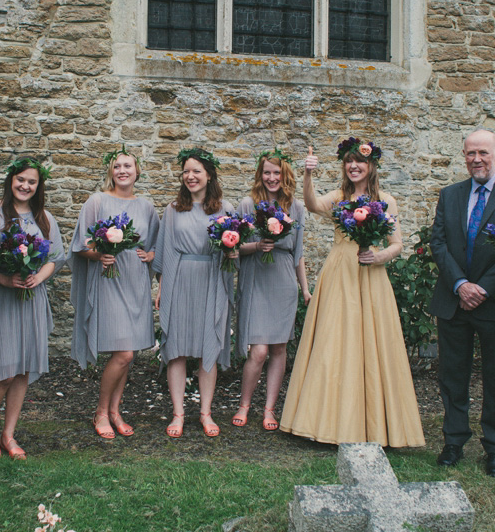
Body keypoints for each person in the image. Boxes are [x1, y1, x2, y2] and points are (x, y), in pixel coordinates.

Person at [280, 139, 424, 447]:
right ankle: (323, 421)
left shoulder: (386, 200)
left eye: (359, 161)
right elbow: (313, 204)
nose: (354, 166)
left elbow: (396, 244)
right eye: (348, 161)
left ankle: (372, 425)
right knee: (334, 341)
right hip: (340, 272)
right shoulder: (340, 197)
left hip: (371, 275)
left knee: (371, 344)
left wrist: (379, 257)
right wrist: (307, 176)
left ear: (372, 166)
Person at [429, 129, 495, 476]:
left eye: (483, 153)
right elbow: (439, 243)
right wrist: (460, 284)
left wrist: (482, 288)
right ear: (464, 156)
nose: (477, 159)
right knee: (452, 375)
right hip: (454, 300)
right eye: (470, 153)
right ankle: (454, 440)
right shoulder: (451, 195)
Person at [0, 157, 65, 460]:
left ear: (38, 185)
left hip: (31, 299)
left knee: (22, 371)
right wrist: (4, 280)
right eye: (21, 180)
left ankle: (9, 434)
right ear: (11, 180)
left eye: (32, 182)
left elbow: (56, 257)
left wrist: (37, 278)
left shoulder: (43, 217)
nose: (25, 186)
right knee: (4, 372)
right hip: (2, 299)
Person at [70, 146, 159, 439]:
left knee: (129, 354)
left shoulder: (146, 207)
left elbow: (157, 244)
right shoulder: (97, 201)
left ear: (137, 171)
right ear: (111, 171)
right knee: (123, 352)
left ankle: (115, 411)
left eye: (128, 166)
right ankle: (100, 412)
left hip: (135, 281)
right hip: (109, 281)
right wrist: (98, 256)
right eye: (117, 166)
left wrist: (150, 255)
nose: (122, 170)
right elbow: (81, 245)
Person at [152, 148, 235, 438]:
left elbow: (233, 249)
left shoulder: (225, 209)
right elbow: (165, 252)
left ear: (209, 175)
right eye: (186, 171)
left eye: (196, 171)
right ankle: (178, 413)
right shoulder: (173, 210)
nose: (190, 176)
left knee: (208, 347)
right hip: (180, 279)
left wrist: (233, 252)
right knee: (175, 349)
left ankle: (205, 413)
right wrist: (162, 289)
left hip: (212, 280)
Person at [232, 149, 311, 431]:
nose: (272, 178)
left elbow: (298, 253)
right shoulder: (247, 205)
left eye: (277, 173)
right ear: (259, 175)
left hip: (283, 281)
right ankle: (244, 404)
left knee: (279, 348)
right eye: (267, 172)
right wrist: (256, 246)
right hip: (256, 279)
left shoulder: (296, 207)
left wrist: (305, 290)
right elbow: (232, 245)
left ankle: (269, 409)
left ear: (285, 175)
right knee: (259, 351)